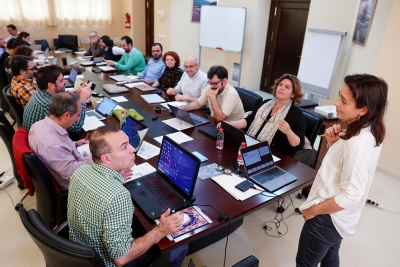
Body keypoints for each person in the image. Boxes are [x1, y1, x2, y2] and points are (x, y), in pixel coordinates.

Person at [296, 74, 388, 267]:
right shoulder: (365, 128)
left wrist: (314, 210)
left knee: (305, 263)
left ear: (363, 109)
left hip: (327, 217)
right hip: (339, 219)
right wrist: (333, 144)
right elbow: (344, 167)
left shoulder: (359, 143)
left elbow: (352, 194)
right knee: (330, 256)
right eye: (339, 96)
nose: (336, 103)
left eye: (344, 101)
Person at [68, 125, 188, 267]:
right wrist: (160, 231)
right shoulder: (118, 196)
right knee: (180, 246)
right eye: (124, 147)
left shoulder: (80, 171)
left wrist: (116, 178)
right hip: (106, 262)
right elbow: (121, 258)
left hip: (80, 254)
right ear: (106, 159)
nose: (133, 149)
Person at [224, 73, 306, 155]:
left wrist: (288, 132)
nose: (281, 88)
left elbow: (298, 144)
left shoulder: (296, 114)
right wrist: (230, 124)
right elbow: (248, 121)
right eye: (280, 85)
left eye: (287, 87)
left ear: (293, 94)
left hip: (273, 154)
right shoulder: (266, 104)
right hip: (250, 146)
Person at [28, 92, 93, 190]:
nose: (78, 118)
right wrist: (95, 156)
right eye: (78, 115)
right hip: (73, 183)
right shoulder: (53, 145)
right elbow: (74, 173)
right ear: (66, 115)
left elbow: (58, 151)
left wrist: (74, 144)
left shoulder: (38, 125)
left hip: (65, 167)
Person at [22, 65, 92, 132]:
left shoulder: (41, 92)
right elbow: (76, 127)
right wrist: (82, 100)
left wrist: (70, 94)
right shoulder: (47, 104)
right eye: (61, 80)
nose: (65, 82)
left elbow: (58, 99)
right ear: (51, 85)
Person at [181, 65, 245, 122]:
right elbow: (198, 103)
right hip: (214, 123)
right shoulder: (211, 87)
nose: (211, 86)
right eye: (210, 83)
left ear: (224, 81)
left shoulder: (231, 93)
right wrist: (182, 109)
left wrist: (212, 97)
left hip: (232, 129)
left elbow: (220, 119)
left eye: (215, 83)